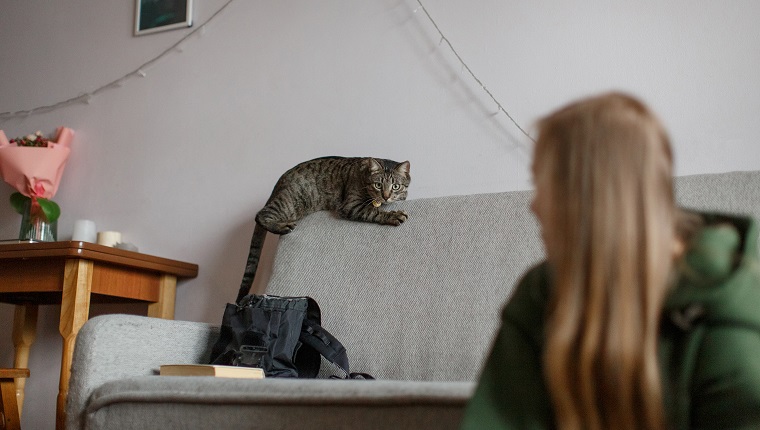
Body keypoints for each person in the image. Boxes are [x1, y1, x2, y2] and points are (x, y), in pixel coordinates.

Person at [459, 92, 760, 430]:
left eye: (541, 183)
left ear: (588, 195)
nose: (534, 206)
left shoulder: (730, 336)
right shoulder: (541, 291)